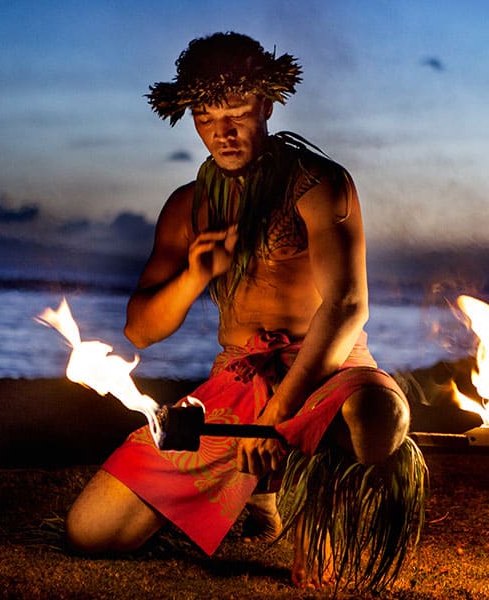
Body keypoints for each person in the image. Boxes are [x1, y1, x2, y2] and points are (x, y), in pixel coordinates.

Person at [64, 32, 426, 591]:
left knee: (380, 421)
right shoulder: (188, 205)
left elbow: (348, 306)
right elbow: (141, 329)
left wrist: (278, 418)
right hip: (236, 381)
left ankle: (302, 493)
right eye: (206, 117)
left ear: (267, 105)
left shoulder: (319, 184)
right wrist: (195, 275)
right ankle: (259, 494)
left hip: (330, 374)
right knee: (92, 533)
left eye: (236, 113)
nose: (222, 132)